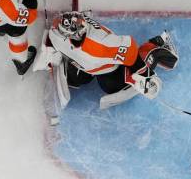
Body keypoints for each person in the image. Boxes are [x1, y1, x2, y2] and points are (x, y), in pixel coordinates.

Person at [33, 10, 179, 109]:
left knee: (111, 86)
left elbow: (130, 49)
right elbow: (53, 36)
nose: (81, 32)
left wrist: (144, 75)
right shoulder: (59, 26)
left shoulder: (101, 45)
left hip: (111, 63)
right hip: (89, 63)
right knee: (77, 79)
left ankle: (157, 44)